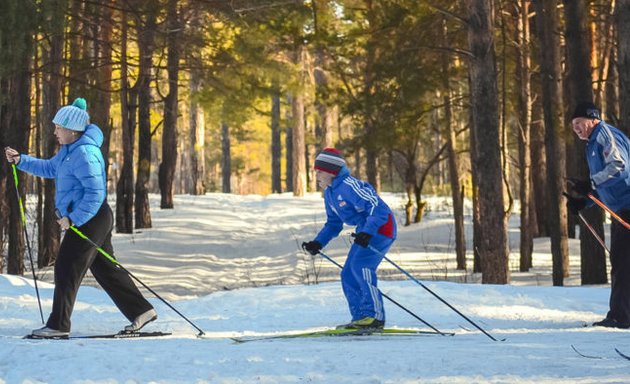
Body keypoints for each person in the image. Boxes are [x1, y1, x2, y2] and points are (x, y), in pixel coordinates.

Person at [5, 98, 157, 338]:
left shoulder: (85, 153)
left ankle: (58, 325)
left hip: (91, 218)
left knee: (66, 267)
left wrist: (73, 219)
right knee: (106, 269)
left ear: (72, 130)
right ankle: (142, 311)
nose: (54, 131)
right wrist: (21, 160)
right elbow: (49, 169)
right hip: (92, 217)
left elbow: (96, 193)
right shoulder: (69, 151)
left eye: (58, 127)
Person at [302, 148, 396, 330]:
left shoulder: (349, 186)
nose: (317, 176)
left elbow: (378, 208)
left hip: (382, 228)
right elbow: (333, 223)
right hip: (366, 230)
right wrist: (318, 242)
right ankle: (361, 317)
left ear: (331, 171)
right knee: (347, 273)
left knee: (360, 267)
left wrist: (368, 232)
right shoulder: (329, 193)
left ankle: (374, 316)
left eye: (319, 171)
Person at [566, 101, 630, 329]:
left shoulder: (605, 135)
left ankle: (621, 317)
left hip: (628, 206)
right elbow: (607, 184)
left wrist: (589, 183)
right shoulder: (592, 144)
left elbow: (619, 167)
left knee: (622, 261)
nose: (575, 128)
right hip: (619, 208)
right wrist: (584, 201)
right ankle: (621, 314)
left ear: (593, 119)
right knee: (622, 261)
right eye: (573, 125)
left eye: (579, 123)